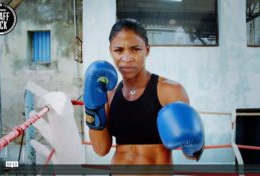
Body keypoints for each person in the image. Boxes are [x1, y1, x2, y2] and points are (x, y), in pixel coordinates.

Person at [84, 18, 204, 165]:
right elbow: (100, 150)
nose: (126, 58)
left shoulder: (169, 90)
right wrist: (92, 107)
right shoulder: (109, 95)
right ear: (111, 51)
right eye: (119, 50)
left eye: (135, 49)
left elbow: (192, 154)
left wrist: (194, 146)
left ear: (147, 50)